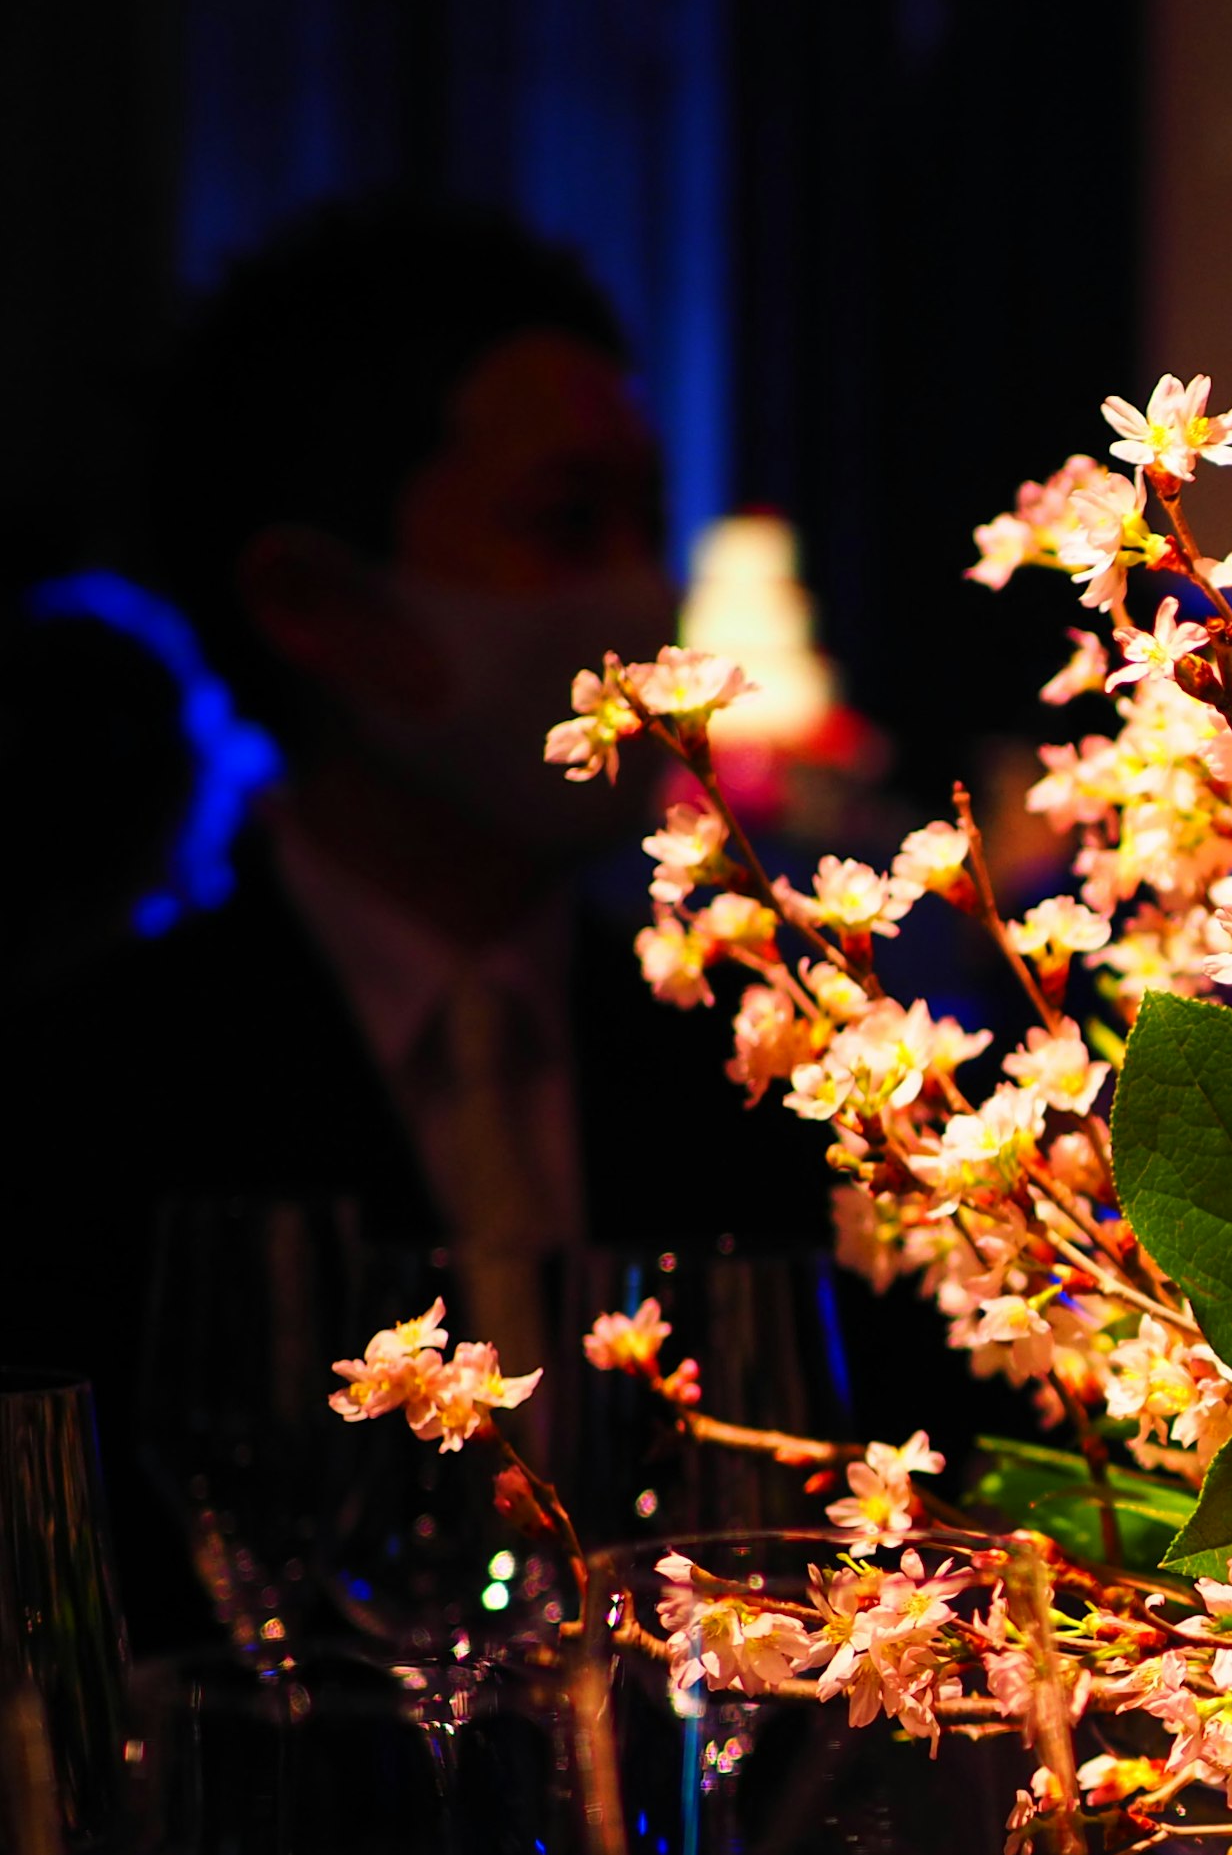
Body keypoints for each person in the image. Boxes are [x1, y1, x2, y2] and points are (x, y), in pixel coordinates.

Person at [0, 201, 828, 1641]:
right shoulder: (81, 1103)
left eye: (647, 522)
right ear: (316, 603)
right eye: (565, 525)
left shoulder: (754, 1067)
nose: (639, 597)